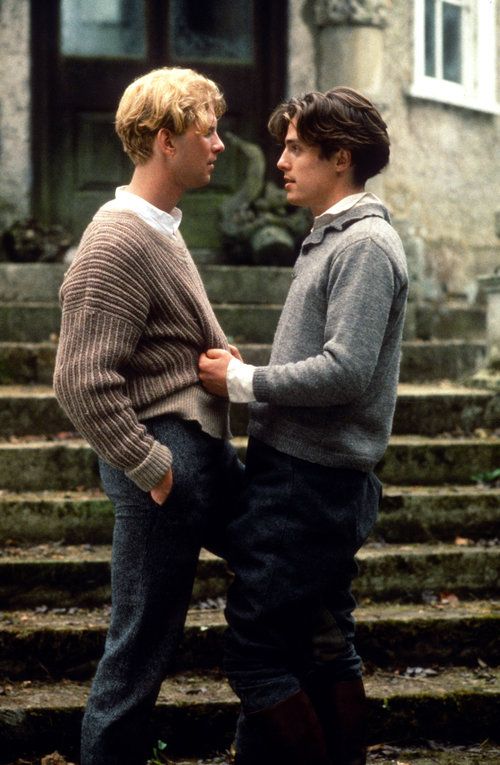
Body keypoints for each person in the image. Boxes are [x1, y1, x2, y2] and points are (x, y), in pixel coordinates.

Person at [199, 87, 408, 765]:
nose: (280, 161)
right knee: (320, 638)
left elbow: (346, 372)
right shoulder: (330, 237)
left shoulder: (367, 245)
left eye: (295, 147)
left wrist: (244, 381)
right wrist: (251, 371)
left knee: (255, 651)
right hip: (300, 472)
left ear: (339, 157)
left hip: (314, 484)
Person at [53, 67, 243, 765]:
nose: (220, 144)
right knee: (137, 652)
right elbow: (79, 380)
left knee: (286, 567)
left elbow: (157, 344)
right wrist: (151, 466)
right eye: (207, 132)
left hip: (201, 453)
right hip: (164, 463)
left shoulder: (160, 225)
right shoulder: (118, 239)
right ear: (166, 141)